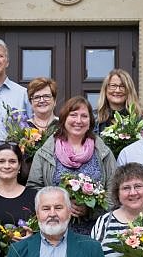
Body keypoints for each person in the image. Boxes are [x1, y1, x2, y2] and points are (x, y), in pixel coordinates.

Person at [27, 97, 116, 236]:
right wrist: (60, 205)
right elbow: (33, 189)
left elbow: (114, 191)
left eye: (84, 116)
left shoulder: (103, 152)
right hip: (55, 232)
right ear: (64, 119)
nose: (78, 121)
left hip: (95, 232)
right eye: (73, 115)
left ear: (90, 122)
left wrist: (90, 211)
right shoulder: (46, 152)